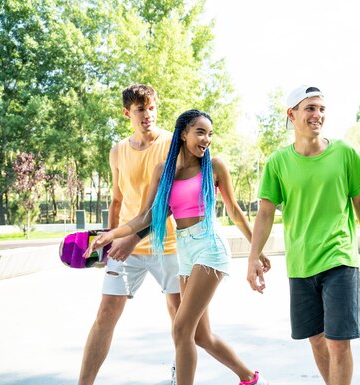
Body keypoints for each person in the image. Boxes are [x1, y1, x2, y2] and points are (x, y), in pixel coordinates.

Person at [89, 109, 270, 385]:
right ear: (183, 133)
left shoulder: (215, 166)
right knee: (200, 335)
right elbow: (146, 216)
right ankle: (250, 378)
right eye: (200, 132)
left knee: (182, 329)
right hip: (185, 251)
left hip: (210, 247)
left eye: (209, 134)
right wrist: (112, 233)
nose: (206, 139)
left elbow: (234, 211)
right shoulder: (163, 170)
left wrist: (255, 251)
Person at [246, 85, 360, 385]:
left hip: (339, 259)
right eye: (310, 108)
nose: (317, 114)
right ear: (291, 114)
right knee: (316, 338)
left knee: (337, 340)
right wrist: (253, 256)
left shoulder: (343, 152)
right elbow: (266, 212)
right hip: (301, 262)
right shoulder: (278, 162)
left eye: (321, 109)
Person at [79, 84, 182, 385]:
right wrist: (108, 241)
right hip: (125, 247)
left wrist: (132, 237)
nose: (147, 114)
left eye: (151, 107)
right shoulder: (118, 150)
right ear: (127, 113)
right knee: (105, 315)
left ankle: (180, 374)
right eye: (140, 109)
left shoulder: (171, 144)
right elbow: (117, 200)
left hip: (168, 244)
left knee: (179, 316)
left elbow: (173, 202)